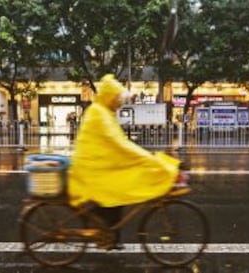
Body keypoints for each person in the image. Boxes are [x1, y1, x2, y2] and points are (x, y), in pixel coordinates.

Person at [67, 74, 187, 250]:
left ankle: (110, 236)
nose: (119, 103)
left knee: (118, 195)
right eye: (117, 99)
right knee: (115, 193)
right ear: (110, 97)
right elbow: (120, 144)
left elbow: (118, 143)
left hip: (100, 166)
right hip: (93, 169)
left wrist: (145, 156)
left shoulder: (103, 112)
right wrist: (148, 158)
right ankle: (104, 232)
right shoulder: (99, 114)